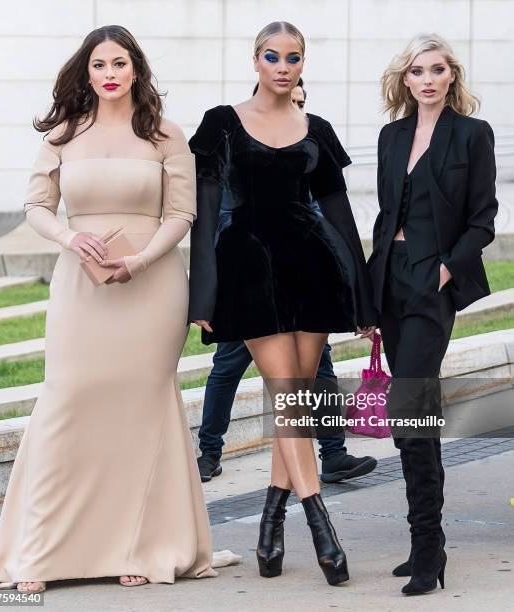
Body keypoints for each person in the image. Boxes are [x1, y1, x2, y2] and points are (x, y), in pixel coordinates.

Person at [0, 25, 237, 594]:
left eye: (119, 63)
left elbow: (183, 215)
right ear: (87, 72)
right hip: (81, 284)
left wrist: (143, 260)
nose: (109, 74)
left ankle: (141, 547)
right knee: (67, 400)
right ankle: (43, 552)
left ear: (135, 69)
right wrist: (71, 240)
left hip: (152, 284)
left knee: (141, 408)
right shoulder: (62, 134)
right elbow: (36, 206)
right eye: (99, 64)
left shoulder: (166, 136)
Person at [188, 21, 377, 586]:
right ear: (255, 60)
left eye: (293, 57)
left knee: (296, 403)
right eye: (272, 55)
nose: (282, 65)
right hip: (248, 271)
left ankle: (271, 525)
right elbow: (204, 213)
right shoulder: (222, 124)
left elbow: (340, 217)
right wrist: (203, 293)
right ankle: (321, 524)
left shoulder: (315, 127)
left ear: (301, 64)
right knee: (289, 396)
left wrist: (363, 294)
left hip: (312, 268)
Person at [196, 78, 377, 485]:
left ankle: (332, 453)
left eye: (300, 101)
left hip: (303, 281)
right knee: (229, 366)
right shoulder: (239, 148)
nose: (293, 107)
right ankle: (210, 450)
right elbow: (221, 215)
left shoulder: (309, 147)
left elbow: (332, 219)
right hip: (251, 282)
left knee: (314, 375)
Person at [369, 33, 498, 595]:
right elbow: (383, 214)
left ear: (451, 77)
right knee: (410, 416)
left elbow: (483, 220)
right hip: (390, 278)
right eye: (417, 70)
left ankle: (427, 547)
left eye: (437, 69)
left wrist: (446, 272)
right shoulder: (390, 136)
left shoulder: (472, 134)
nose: (426, 78)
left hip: (432, 281)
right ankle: (429, 541)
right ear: (405, 79)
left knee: (411, 405)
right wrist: (370, 295)